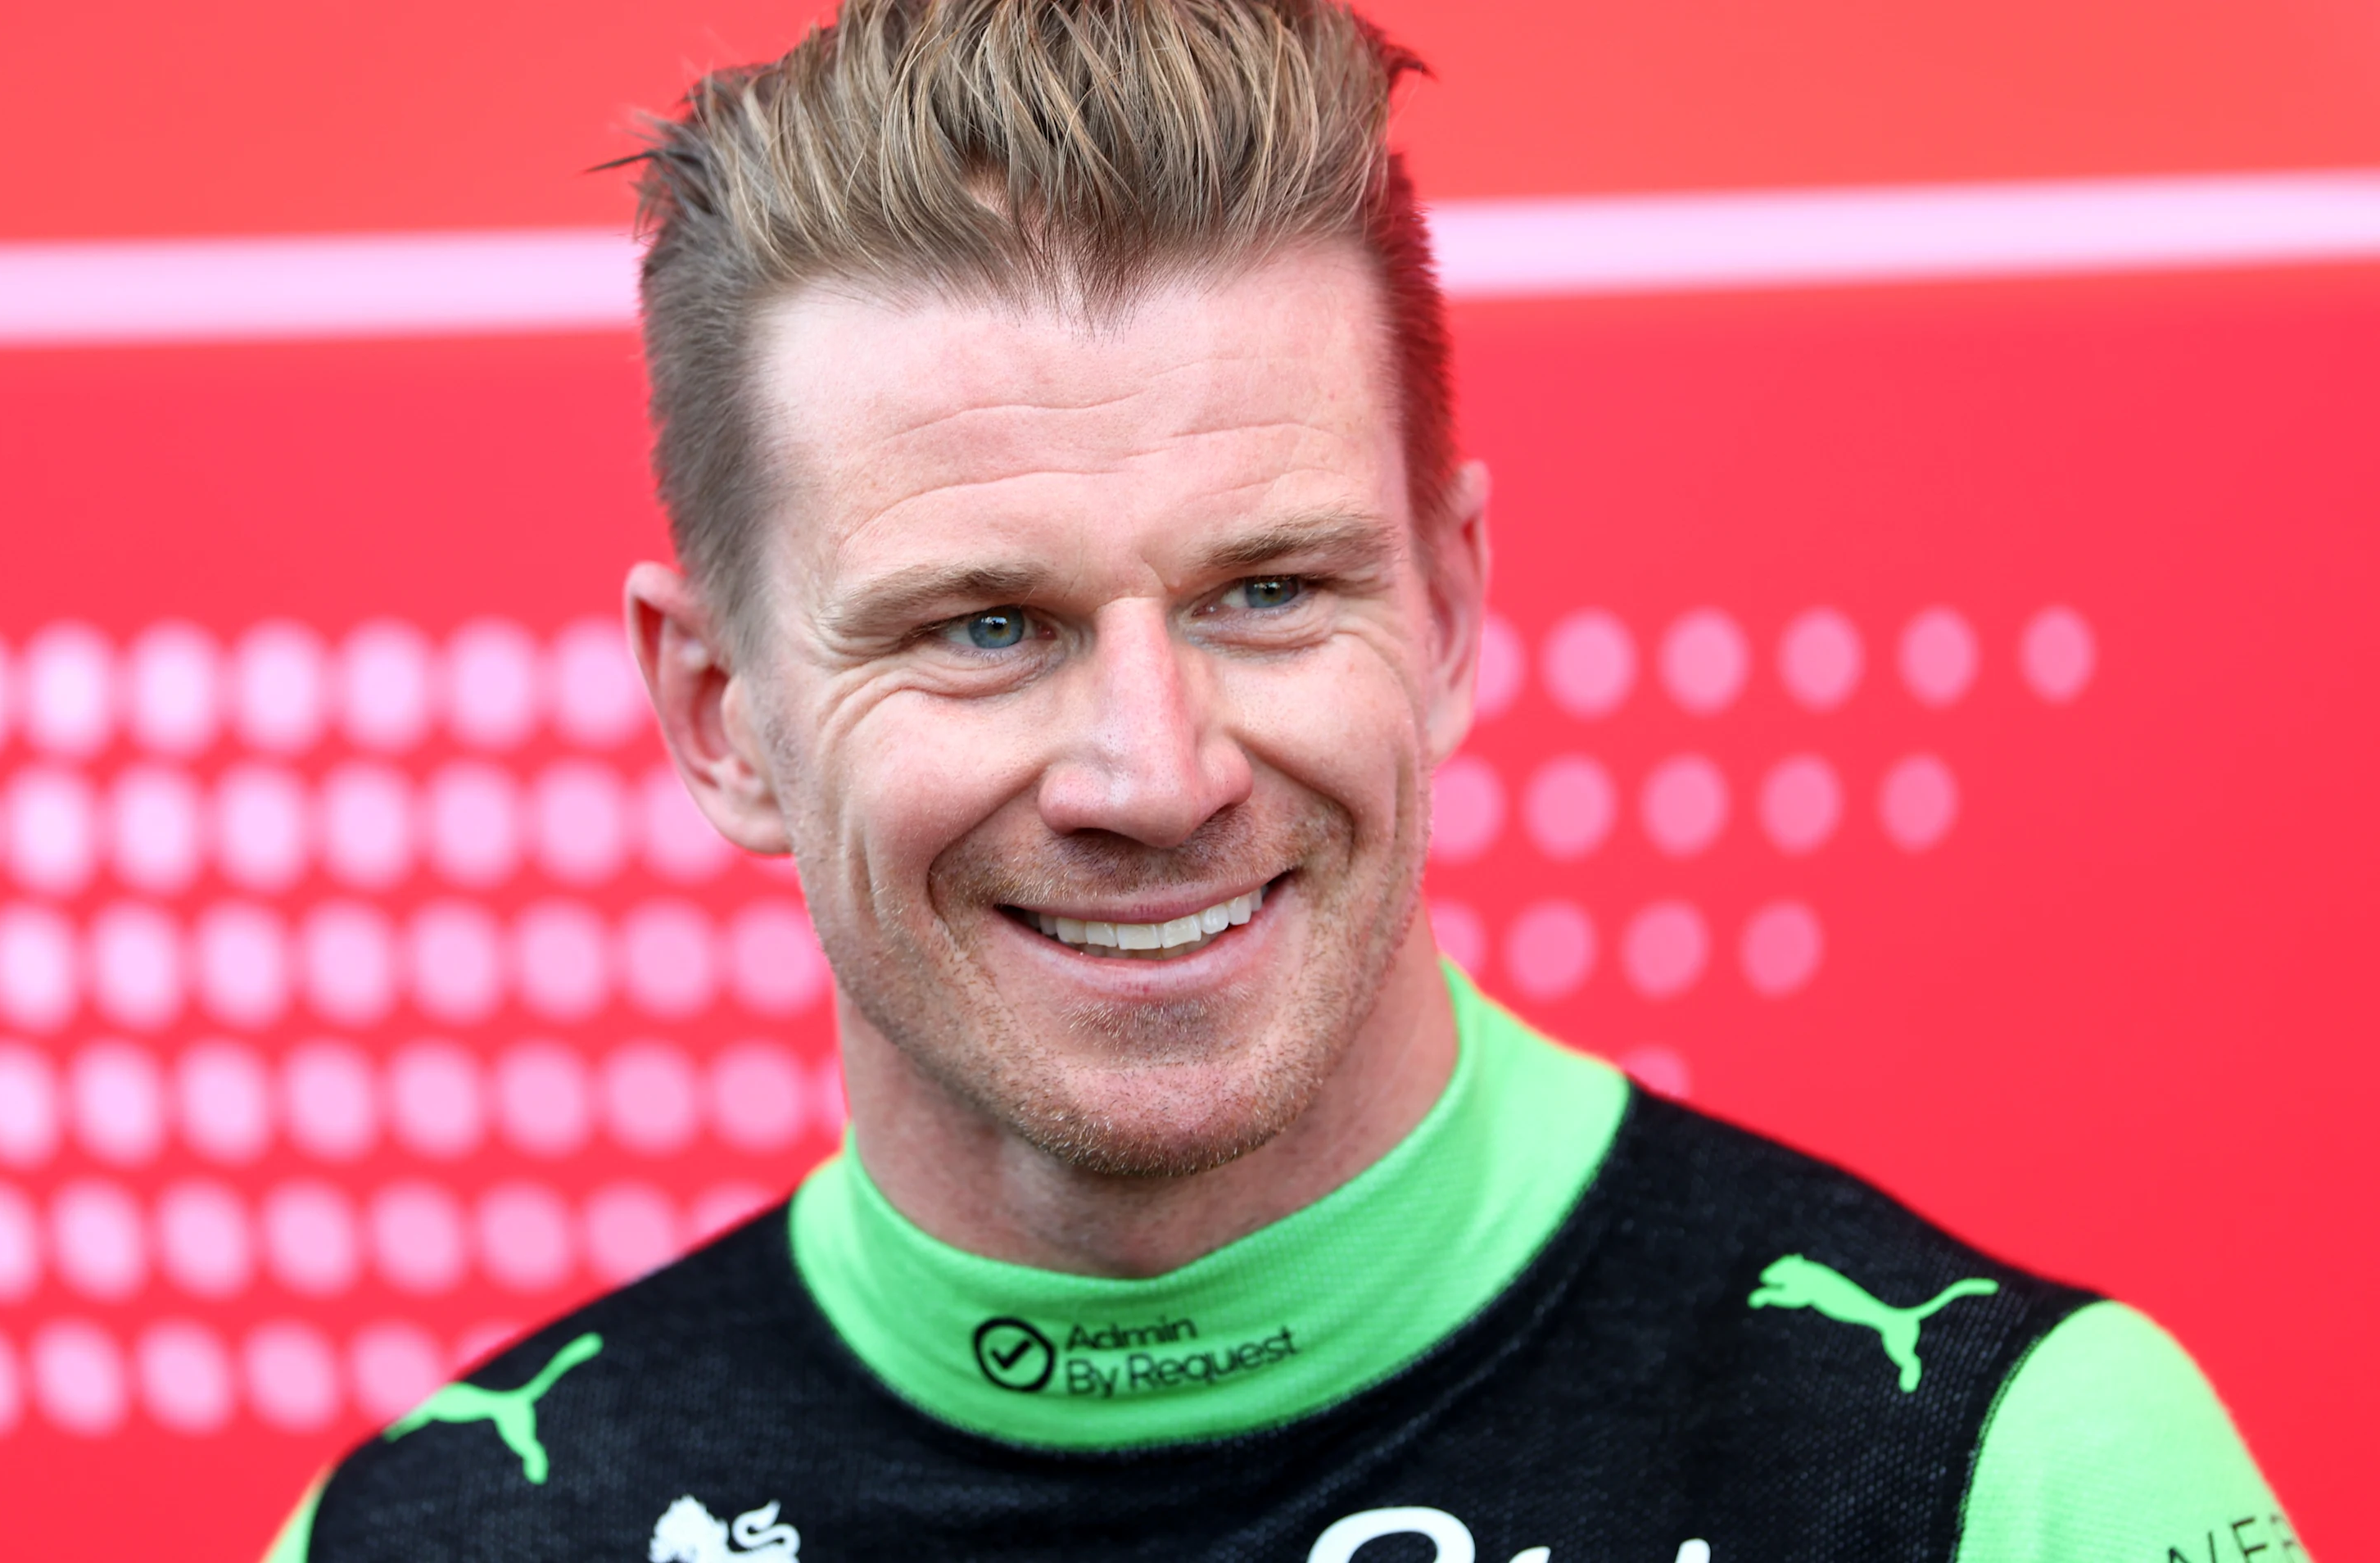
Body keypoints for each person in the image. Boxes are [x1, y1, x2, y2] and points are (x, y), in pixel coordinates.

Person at [267, 2, 2304, 1557]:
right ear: (720, 717)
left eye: (1266, 592)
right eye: (985, 624)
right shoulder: (421, 1540)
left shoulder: (2005, 1477)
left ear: (1447, 609)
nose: (1154, 774)